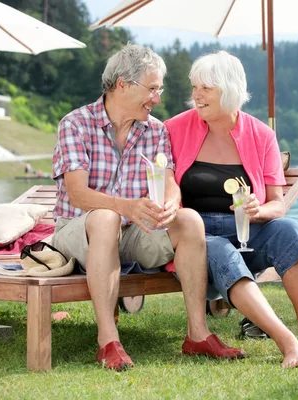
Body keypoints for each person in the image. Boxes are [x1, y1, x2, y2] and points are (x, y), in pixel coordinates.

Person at [50, 44, 245, 371]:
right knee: (105, 218)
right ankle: (108, 340)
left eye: (159, 89)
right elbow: (78, 194)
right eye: (152, 89)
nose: (157, 98)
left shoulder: (154, 130)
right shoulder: (76, 124)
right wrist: (125, 207)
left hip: (132, 234)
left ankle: (197, 334)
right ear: (122, 85)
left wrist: (170, 203)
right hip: (79, 233)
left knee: (189, 221)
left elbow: (168, 179)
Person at [164, 51, 298, 368]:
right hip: (194, 237)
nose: (196, 95)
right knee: (222, 250)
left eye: (206, 88)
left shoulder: (261, 135)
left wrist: (259, 209)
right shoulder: (174, 129)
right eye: (194, 87)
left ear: (228, 89)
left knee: (290, 230)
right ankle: (287, 341)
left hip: (246, 229)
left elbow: (277, 204)